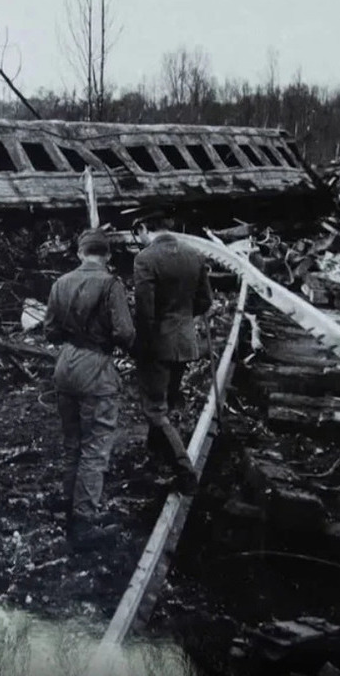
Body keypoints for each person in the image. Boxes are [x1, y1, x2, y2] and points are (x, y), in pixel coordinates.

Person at [43, 228, 135, 551]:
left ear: (80, 253)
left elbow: (50, 331)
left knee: (72, 442)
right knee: (96, 445)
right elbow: (125, 332)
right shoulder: (112, 284)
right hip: (96, 368)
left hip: (64, 367)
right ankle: (84, 518)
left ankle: (69, 502)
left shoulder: (60, 283)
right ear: (107, 255)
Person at [132, 209, 212, 495]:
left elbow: (144, 312)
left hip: (158, 345)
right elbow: (206, 300)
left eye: (137, 233)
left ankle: (184, 470)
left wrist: (141, 345)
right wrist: (183, 320)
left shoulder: (145, 259)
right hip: (186, 342)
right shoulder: (195, 254)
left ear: (143, 228)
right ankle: (155, 454)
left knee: (154, 408)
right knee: (166, 400)